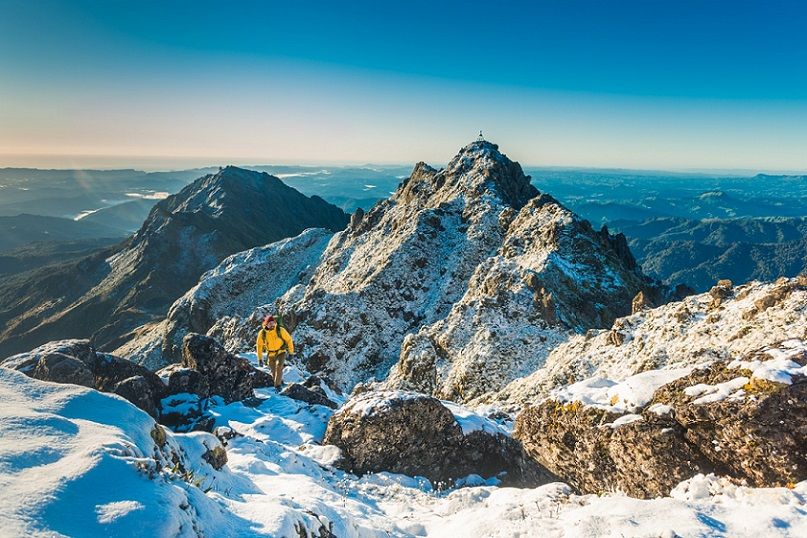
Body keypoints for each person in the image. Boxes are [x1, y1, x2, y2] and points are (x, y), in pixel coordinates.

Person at [256, 315, 294, 389]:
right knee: (273, 371)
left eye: (273, 322)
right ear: (266, 324)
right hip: (270, 354)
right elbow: (259, 346)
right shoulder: (262, 333)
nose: (272, 324)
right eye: (270, 323)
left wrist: (291, 352)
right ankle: (279, 382)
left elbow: (289, 340)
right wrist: (260, 359)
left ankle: (277, 386)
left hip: (281, 352)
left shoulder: (280, 330)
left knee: (279, 367)